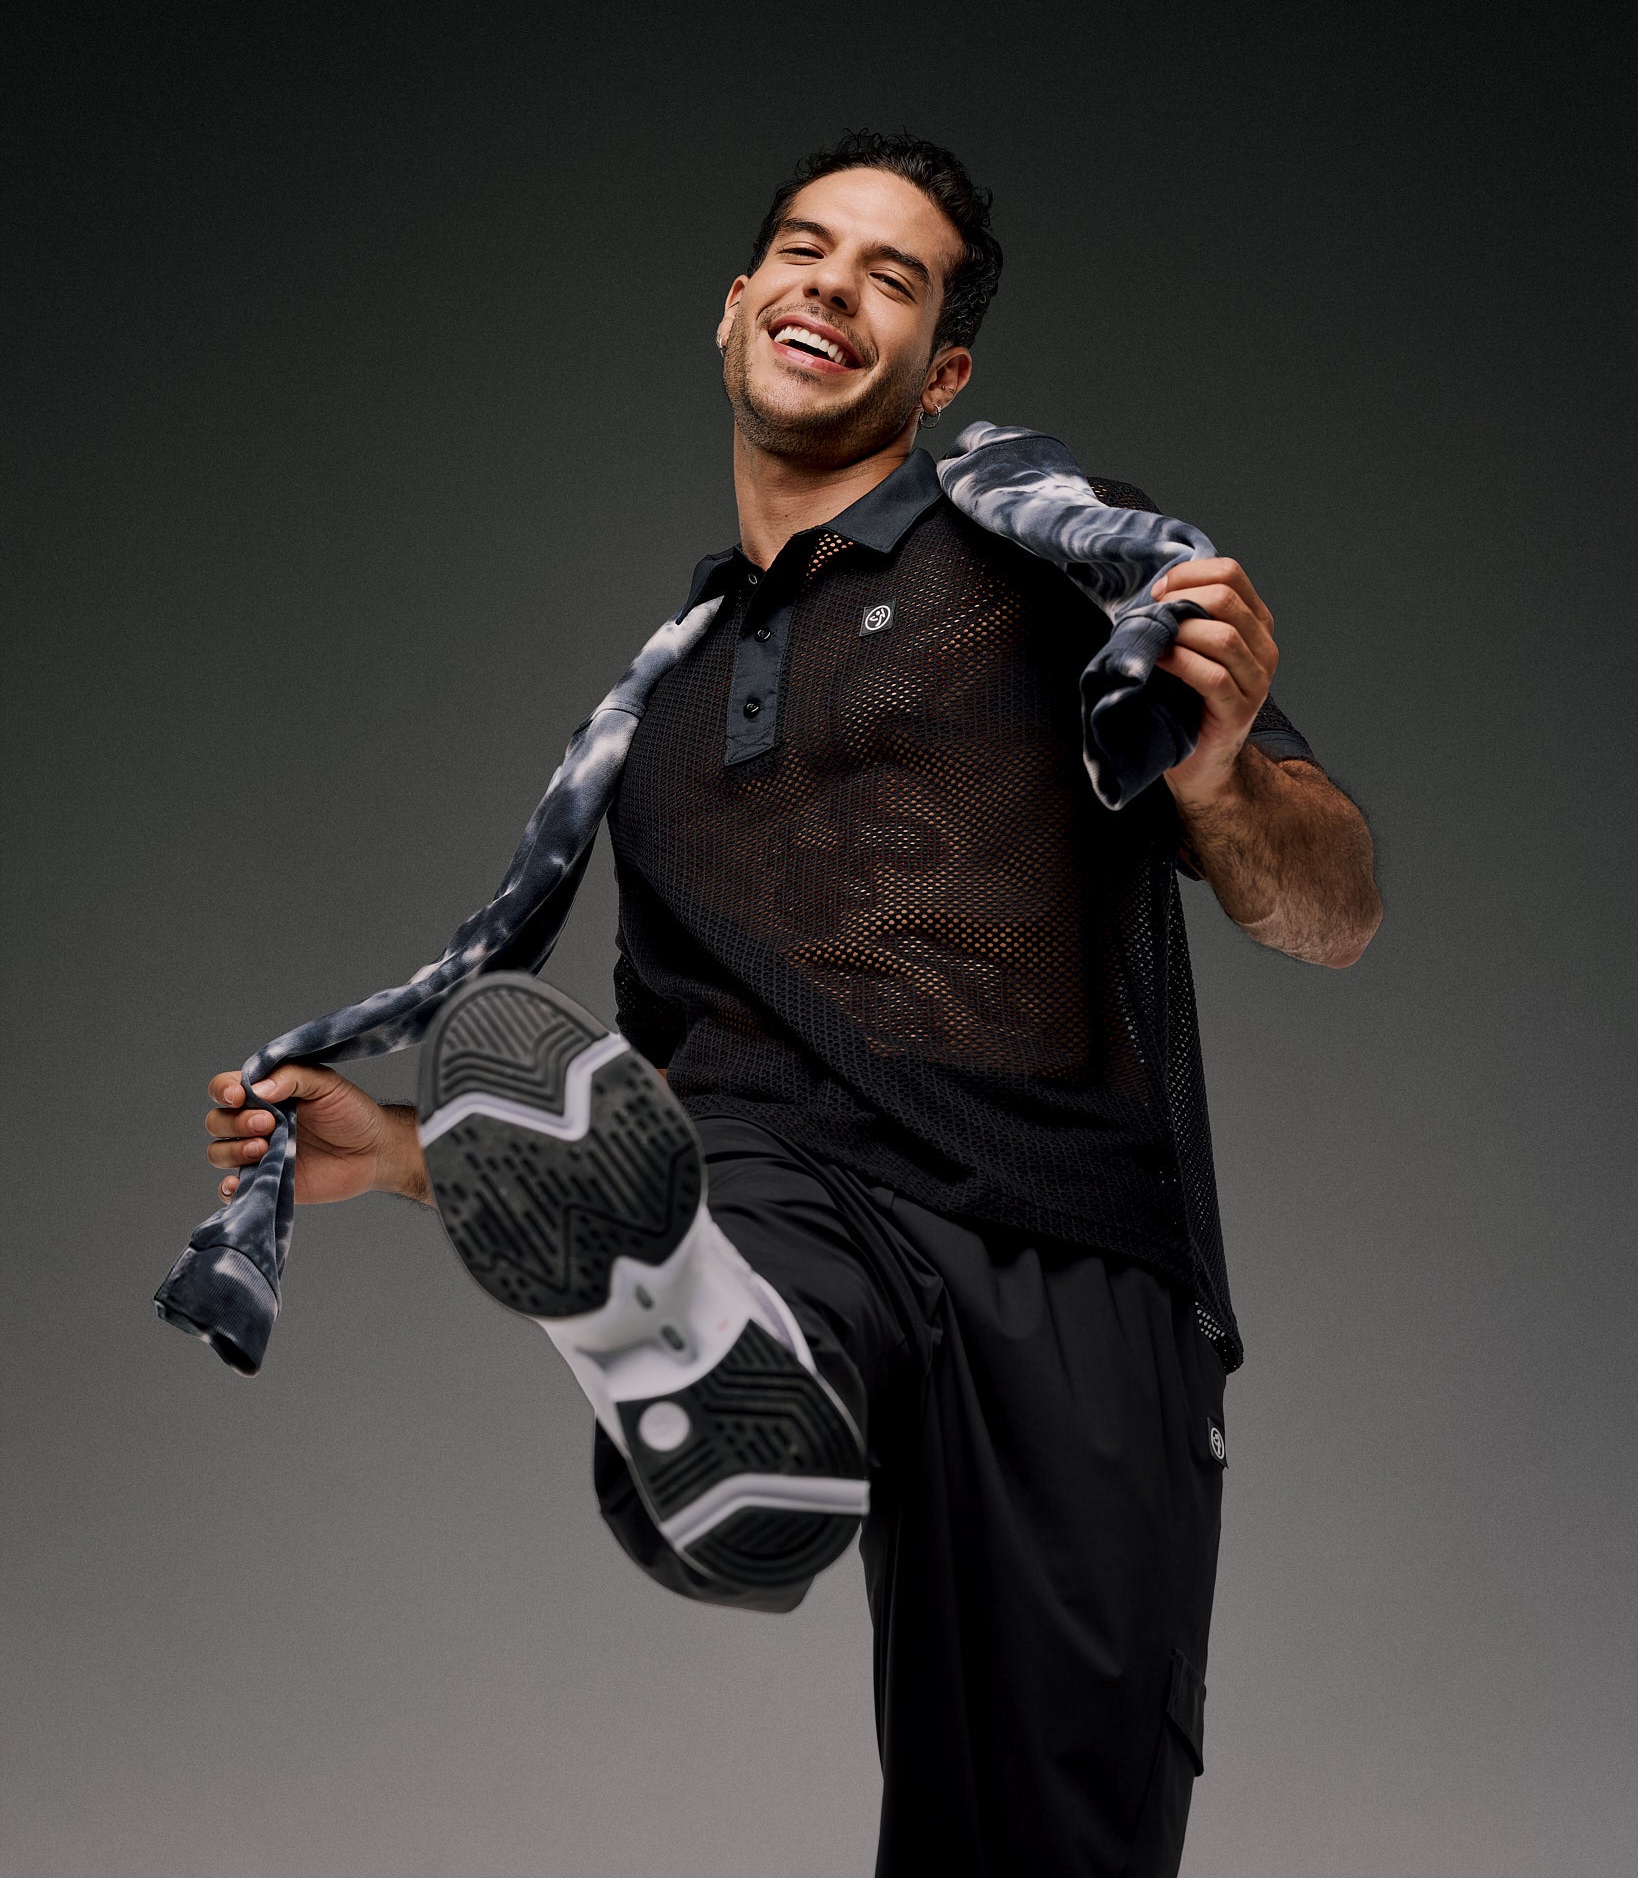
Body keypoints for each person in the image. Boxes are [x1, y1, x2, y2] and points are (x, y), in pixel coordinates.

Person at [202, 134, 1381, 1876]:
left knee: (1051, 1844)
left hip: (1072, 1246)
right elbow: (635, 1129)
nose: (833, 285)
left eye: (890, 278)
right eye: (805, 251)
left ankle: (727, 1361)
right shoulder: (657, 717)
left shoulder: (1058, 569)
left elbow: (1332, 911)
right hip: (790, 1197)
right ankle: (729, 1365)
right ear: (737, 304)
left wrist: (1215, 775)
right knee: (742, 1227)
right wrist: (392, 1151)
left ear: (941, 372)